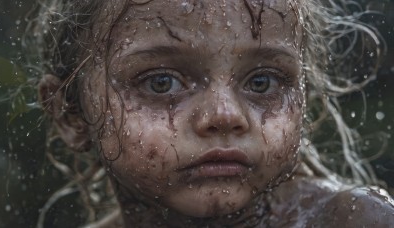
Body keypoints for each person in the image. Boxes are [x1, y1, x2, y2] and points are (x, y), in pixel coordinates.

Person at [28, 0, 394, 227]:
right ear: (70, 114)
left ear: (304, 99)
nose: (225, 115)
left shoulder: (352, 221)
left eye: (263, 82)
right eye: (160, 83)